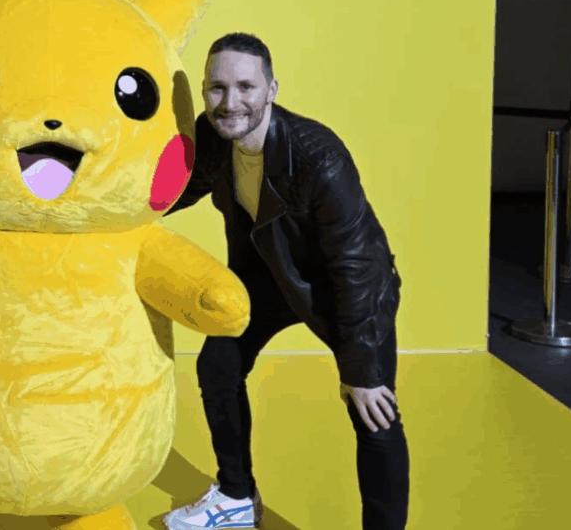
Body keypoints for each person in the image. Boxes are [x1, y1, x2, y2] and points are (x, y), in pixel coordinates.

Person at [164, 33, 409, 530]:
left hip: (347, 289)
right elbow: (177, 190)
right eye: (216, 88)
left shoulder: (319, 156)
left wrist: (360, 369)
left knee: (373, 411)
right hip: (270, 276)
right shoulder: (213, 136)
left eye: (245, 87)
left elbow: (354, 264)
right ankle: (236, 496)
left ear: (271, 89)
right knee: (219, 364)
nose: (230, 102)